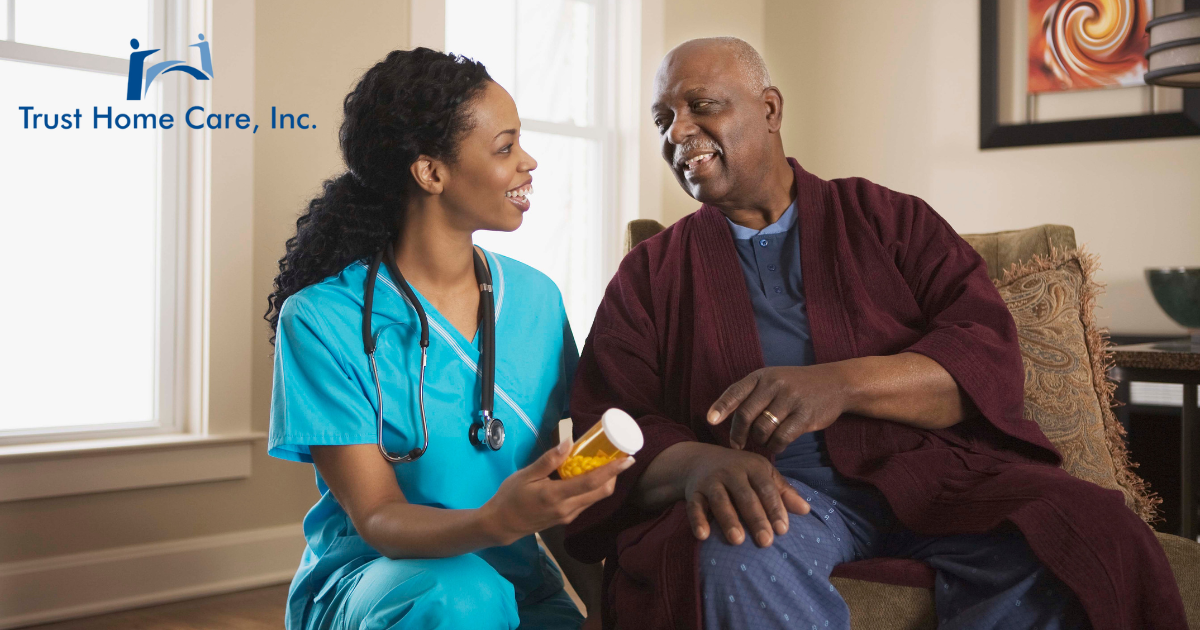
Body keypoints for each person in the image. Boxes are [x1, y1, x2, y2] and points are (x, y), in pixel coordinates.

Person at [563, 37, 1187, 629]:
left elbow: (985, 353)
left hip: (937, 476)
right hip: (780, 496)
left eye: (702, 106)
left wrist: (842, 384)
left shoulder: (890, 220)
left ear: (771, 109)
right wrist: (698, 464)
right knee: (734, 552)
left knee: (1082, 536)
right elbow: (606, 427)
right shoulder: (651, 272)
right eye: (662, 119)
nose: (679, 132)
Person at [265, 48, 629, 630]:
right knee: (462, 596)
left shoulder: (535, 300)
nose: (527, 161)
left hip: (515, 587)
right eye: (505, 147)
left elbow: (557, 486)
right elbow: (380, 518)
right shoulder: (320, 320)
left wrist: (605, 608)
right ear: (431, 172)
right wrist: (497, 520)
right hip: (384, 584)